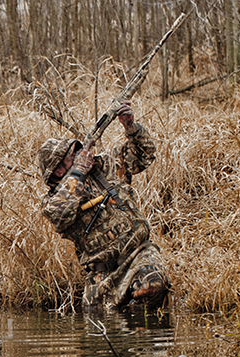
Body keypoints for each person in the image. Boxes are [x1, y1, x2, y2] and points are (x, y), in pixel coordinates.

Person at [37, 101, 169, 308]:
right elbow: (59, 215)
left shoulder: (106, 165)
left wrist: (131, 127)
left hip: (138, 254)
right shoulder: (53, 199)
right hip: (100, 274)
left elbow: (145, 155)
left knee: (152, 285)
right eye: (67, 160)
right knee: (101, 329)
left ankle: (145, 335)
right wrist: (78, 173)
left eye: (74, 154)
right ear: (56, 173)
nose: (76, 158)